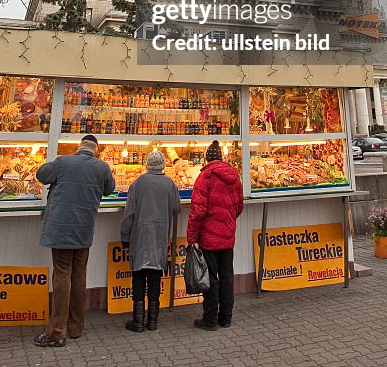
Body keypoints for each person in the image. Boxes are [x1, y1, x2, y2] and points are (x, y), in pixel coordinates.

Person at [34, 135, 115, 347]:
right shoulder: (102, 167)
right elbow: (110, 189)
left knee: (62, 277)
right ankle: (75, 327)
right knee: (79, 276)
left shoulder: (62, 162)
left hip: (61, 230)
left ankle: (57, 333)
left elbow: (41, 175)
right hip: (84, 229)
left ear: (79, 147)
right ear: (95, 149)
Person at [120, 150, 181, 333]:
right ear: (163, 165)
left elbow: (129, 213)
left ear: (147, 165)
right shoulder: (170, 184)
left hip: (140, 235)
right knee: (155, 276)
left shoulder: (138, 183)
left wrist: (124, 236)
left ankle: (138, 322)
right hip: (160, 236)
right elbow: (176, 208)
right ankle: (153, 321)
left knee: (138, 276)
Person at [186, 140, 243, 331]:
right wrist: (228, 222)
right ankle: (226, 318)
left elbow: (198, 211)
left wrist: (192, 237)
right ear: (221, 158)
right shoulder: (234, 176)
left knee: (210, 278)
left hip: (209, 238)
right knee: (227, 276)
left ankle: (210, 319)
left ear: (207, 159)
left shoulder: (205, 177)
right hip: (227, 236)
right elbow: (239, 206)